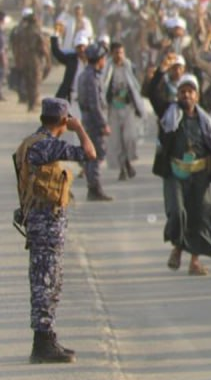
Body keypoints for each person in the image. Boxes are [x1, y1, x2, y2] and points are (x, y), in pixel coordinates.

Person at [16, 98, 96, 363]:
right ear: (63, 120)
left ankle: (47, 337)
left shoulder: (31, 142)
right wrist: (80, 128)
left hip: (40, 219)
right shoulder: (47, 145)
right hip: (46, 221)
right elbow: (89, 153)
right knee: (45, 282)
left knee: (48, 280)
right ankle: (41, 343)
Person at [154, 74, 211, 275]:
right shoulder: (169, 114)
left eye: (190, 92)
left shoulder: (204, 121)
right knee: (177, 212)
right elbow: (152, 95)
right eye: (182, 92)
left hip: (199, 175)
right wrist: (159, 73)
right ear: (178, 95)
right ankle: (177, 247)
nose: (186, 96)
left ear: (197, 96)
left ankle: (194, 261)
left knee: (200, 216)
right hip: (175, 173)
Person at [75, 43, 113, 202]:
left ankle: (93, 187)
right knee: (96, 154)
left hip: (88, 119)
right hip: (93, 121)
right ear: (99, 59)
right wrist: (103, 123)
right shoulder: (91, 78)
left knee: (92, 154)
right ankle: (94, 188)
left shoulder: (86, 75)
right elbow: (94, 104)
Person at [103, 42, 145, 181]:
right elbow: (103, 87)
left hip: (128, 108)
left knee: (129, 137)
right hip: (113, 109)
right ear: (112, 54)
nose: (119, 56)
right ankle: (123, 167)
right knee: (117, 141)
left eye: (121, 52)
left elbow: (136, 86)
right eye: (116, 53)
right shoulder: (107, 69)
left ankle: (127, 162)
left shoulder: (130, 67)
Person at [10, 9, 49, 111]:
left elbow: (15, 46)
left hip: (24, 59)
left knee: (27, 81)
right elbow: (43, 48)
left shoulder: (20, 32)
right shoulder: (37, 32)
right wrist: (48, 60)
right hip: (34, 60)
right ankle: (33, 103)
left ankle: (30, 103)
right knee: (35, 82)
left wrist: (17, 59)